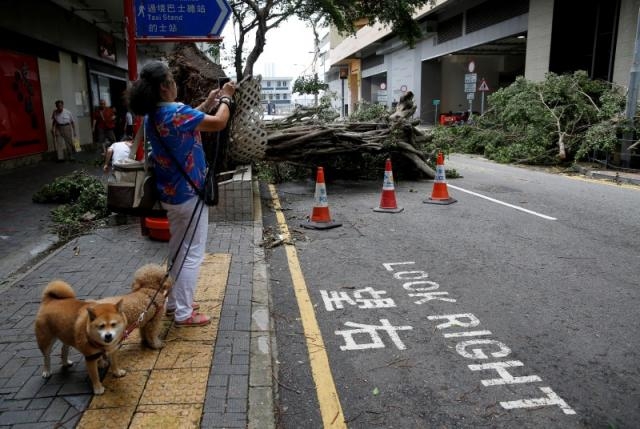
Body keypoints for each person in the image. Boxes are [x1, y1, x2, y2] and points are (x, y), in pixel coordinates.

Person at [127, 60, 236, 327]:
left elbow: (187, 122)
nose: (175, 85)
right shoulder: (176, 112)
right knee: (192, 253)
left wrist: (209, 102)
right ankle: (184, 313)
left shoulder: (154, 115)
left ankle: (175, 302)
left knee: (178, 249)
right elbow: (220, 123)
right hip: (189, 194)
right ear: (165, 87)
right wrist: (226, 99)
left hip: (170, 192)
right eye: (172, 81)